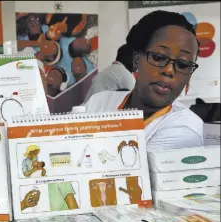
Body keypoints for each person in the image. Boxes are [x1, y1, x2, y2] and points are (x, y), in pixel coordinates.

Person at [84, 10, 203, 151]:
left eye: (183, 65)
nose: (169, 71)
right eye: (158, 57)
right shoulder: (98, 103)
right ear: (136, 60)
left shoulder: (184, 128)